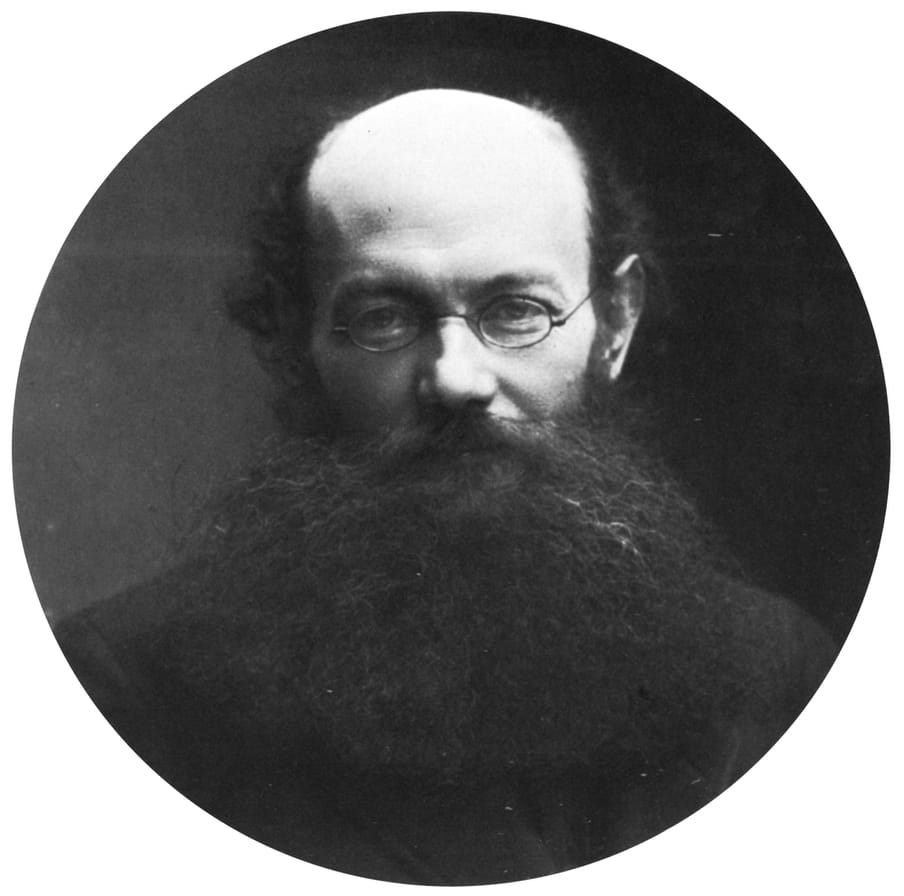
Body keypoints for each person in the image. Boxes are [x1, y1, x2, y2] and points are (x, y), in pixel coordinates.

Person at [54, 88, 836, 885]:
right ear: (297, 337)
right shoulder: (120, 695)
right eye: (386, 317)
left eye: (517, 310)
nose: (458, 379)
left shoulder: (779, 674)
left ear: (618, 320)